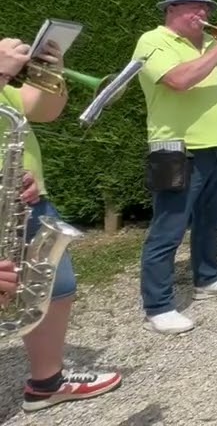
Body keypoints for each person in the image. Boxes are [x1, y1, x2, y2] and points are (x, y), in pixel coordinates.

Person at [0, 36, 121, 411]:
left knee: (55, 286)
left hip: (23, 200)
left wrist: (51, 72)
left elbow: (43, 110)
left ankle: (47, 382)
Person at [133, 0, 217, 335]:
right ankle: (158, 305)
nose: (203, 14)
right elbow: (178, 80)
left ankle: (208, 276)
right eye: (193, 8)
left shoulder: (206, 47)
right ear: (170, 9)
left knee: (211, 221)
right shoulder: (153, 41)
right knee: (168, 228)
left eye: (206, 9)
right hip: (177, 148)